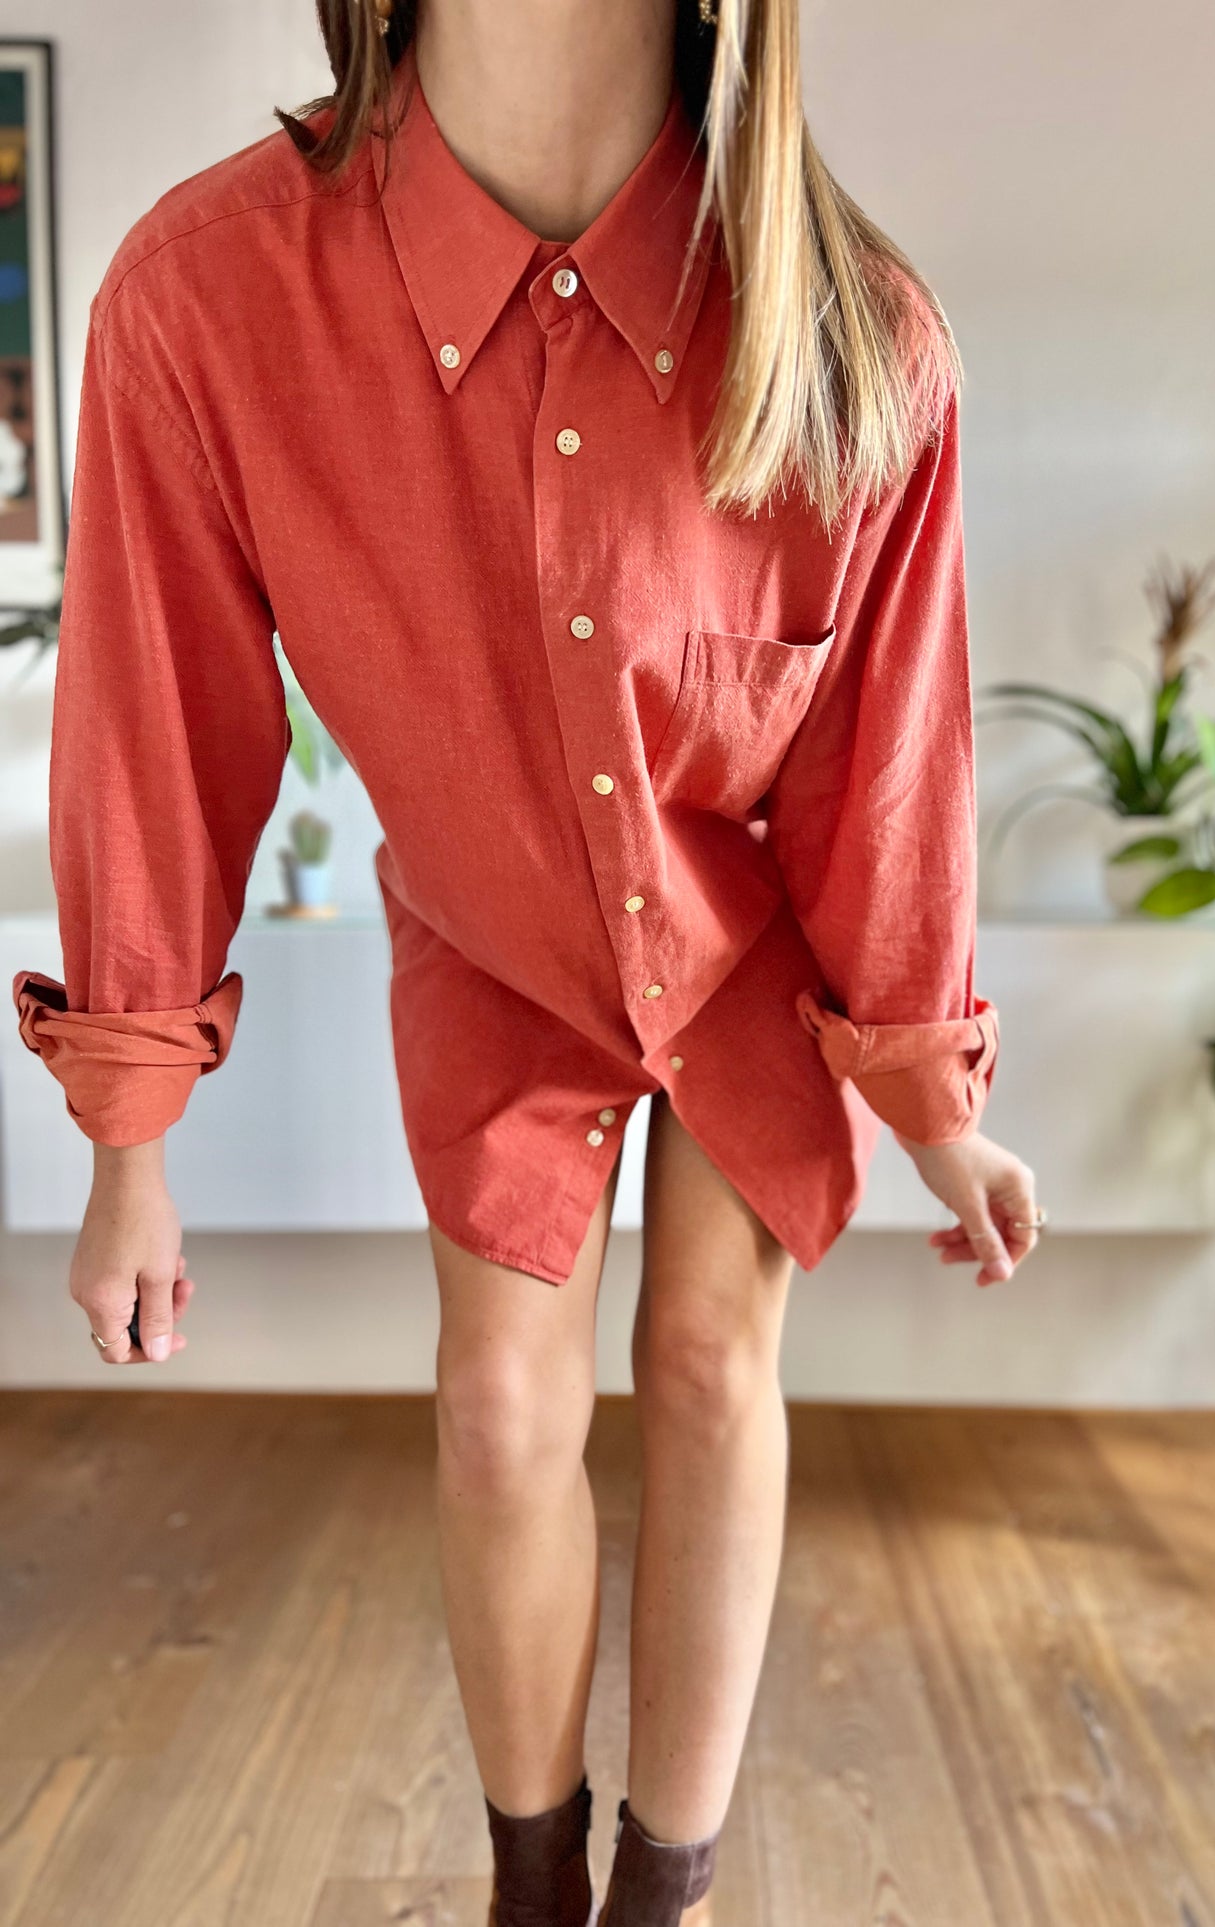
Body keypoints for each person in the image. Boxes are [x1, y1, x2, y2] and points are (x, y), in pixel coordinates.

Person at [11, 0, 1042, 1920]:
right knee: (499, 1404)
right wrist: (125, 1152)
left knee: (715, 1365)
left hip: (754, 941)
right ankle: (529, 1887)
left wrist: (932, 1103)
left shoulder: (861, 338)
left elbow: (886, 777)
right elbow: (156, 734)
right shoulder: (205, 299)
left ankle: (667, 1897)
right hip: (486, 929)